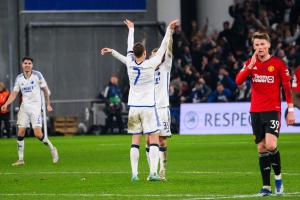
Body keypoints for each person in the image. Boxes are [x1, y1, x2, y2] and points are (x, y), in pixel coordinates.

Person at [101, 19, 177, 181]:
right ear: (144, 53)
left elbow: (127, 52)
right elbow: (164, 48)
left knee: (135, 140)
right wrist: (169, 30)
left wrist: (129, 31)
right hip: (149, 107)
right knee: (154, 138)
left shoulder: (129, 63)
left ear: (134, 54)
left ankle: (134, 174)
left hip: (133, 107)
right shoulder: (150, 64)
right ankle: (153, 172)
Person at [236, 32, 295, 196]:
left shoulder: (278, 64)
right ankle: (266, 187)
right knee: (261, 148)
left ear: (268, 45)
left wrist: (290, 110)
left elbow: (287, 89)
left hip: (272, 110)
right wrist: (250, 66)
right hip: (255, 111)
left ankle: (278, 179)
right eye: (256, 45)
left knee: (271, 145)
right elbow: (238, 81)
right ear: (253, 47)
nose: (260, 47)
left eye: (262, 44)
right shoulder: (250, 63)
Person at [1, 57, 59, 166]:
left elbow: (45, 90)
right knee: (20, 132)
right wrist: (6, 104)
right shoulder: (19, 78)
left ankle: (52, 149)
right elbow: (14, 93)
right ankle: (21, 159)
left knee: (38, 134)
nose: (27, 65)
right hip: (24, 108)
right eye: (25, 63)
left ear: (32, 65)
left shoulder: (37, 75)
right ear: (22, 65)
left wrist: (48, 104)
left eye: (29, 63)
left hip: (35, 108)